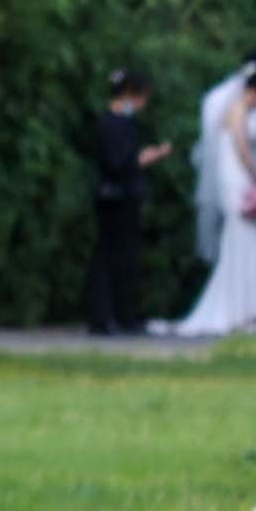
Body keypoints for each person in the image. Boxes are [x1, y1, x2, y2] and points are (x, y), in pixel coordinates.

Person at [155, 59, 256, 336]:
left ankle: (248, 309)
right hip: (239, 183)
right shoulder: (237, 110)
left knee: (250, 245)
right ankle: (241, 309)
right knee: (243, 244)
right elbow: (243, 150)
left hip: (241, 180)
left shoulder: (240, 110)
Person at [76, 69, 175, 336]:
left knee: (126, 257)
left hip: (125, 197)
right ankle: (105, 316)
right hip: (115, 197)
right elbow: (118, 162)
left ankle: (123, 314)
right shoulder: (112, 124)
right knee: (110, 256)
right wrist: (147, 158)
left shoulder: (122, 123)